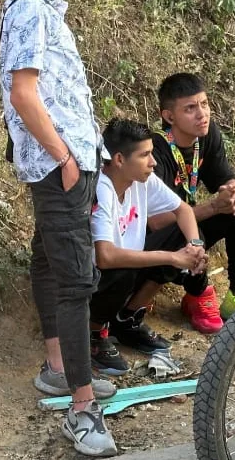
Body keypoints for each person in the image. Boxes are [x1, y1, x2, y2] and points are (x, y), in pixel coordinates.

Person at [0, 0, 116, 457]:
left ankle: (59, 369)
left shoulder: (42, 10)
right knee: (75, 279)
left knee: (50, 261)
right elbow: (24, 92)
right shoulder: (30, 11)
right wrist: (64, 155)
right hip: (59, 165)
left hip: (65, 163)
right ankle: (82, 407)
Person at [88, 120, 208, 375]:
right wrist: (174, 258)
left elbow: (182, 209)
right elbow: (105, 257)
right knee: (122, 272)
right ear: (119, 159)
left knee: (183, 233)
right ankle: (93, 334)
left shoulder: (142, 179)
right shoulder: (101, 188)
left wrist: (194, 246)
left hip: (127, 265)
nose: (153, 162)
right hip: (96, 277)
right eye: (145, 155)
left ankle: (127, 320)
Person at [151, 73, 235, 333]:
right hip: (157, 238)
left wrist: (232, 191)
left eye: (204, 104)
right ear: (169, 116)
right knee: (191, 233)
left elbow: (221, 176)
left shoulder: (206, 137)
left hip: (187, 220)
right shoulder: (155, 150)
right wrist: (211, 207)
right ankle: (198, 295)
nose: (202, 114)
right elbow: (155, 222)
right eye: (190, 108)